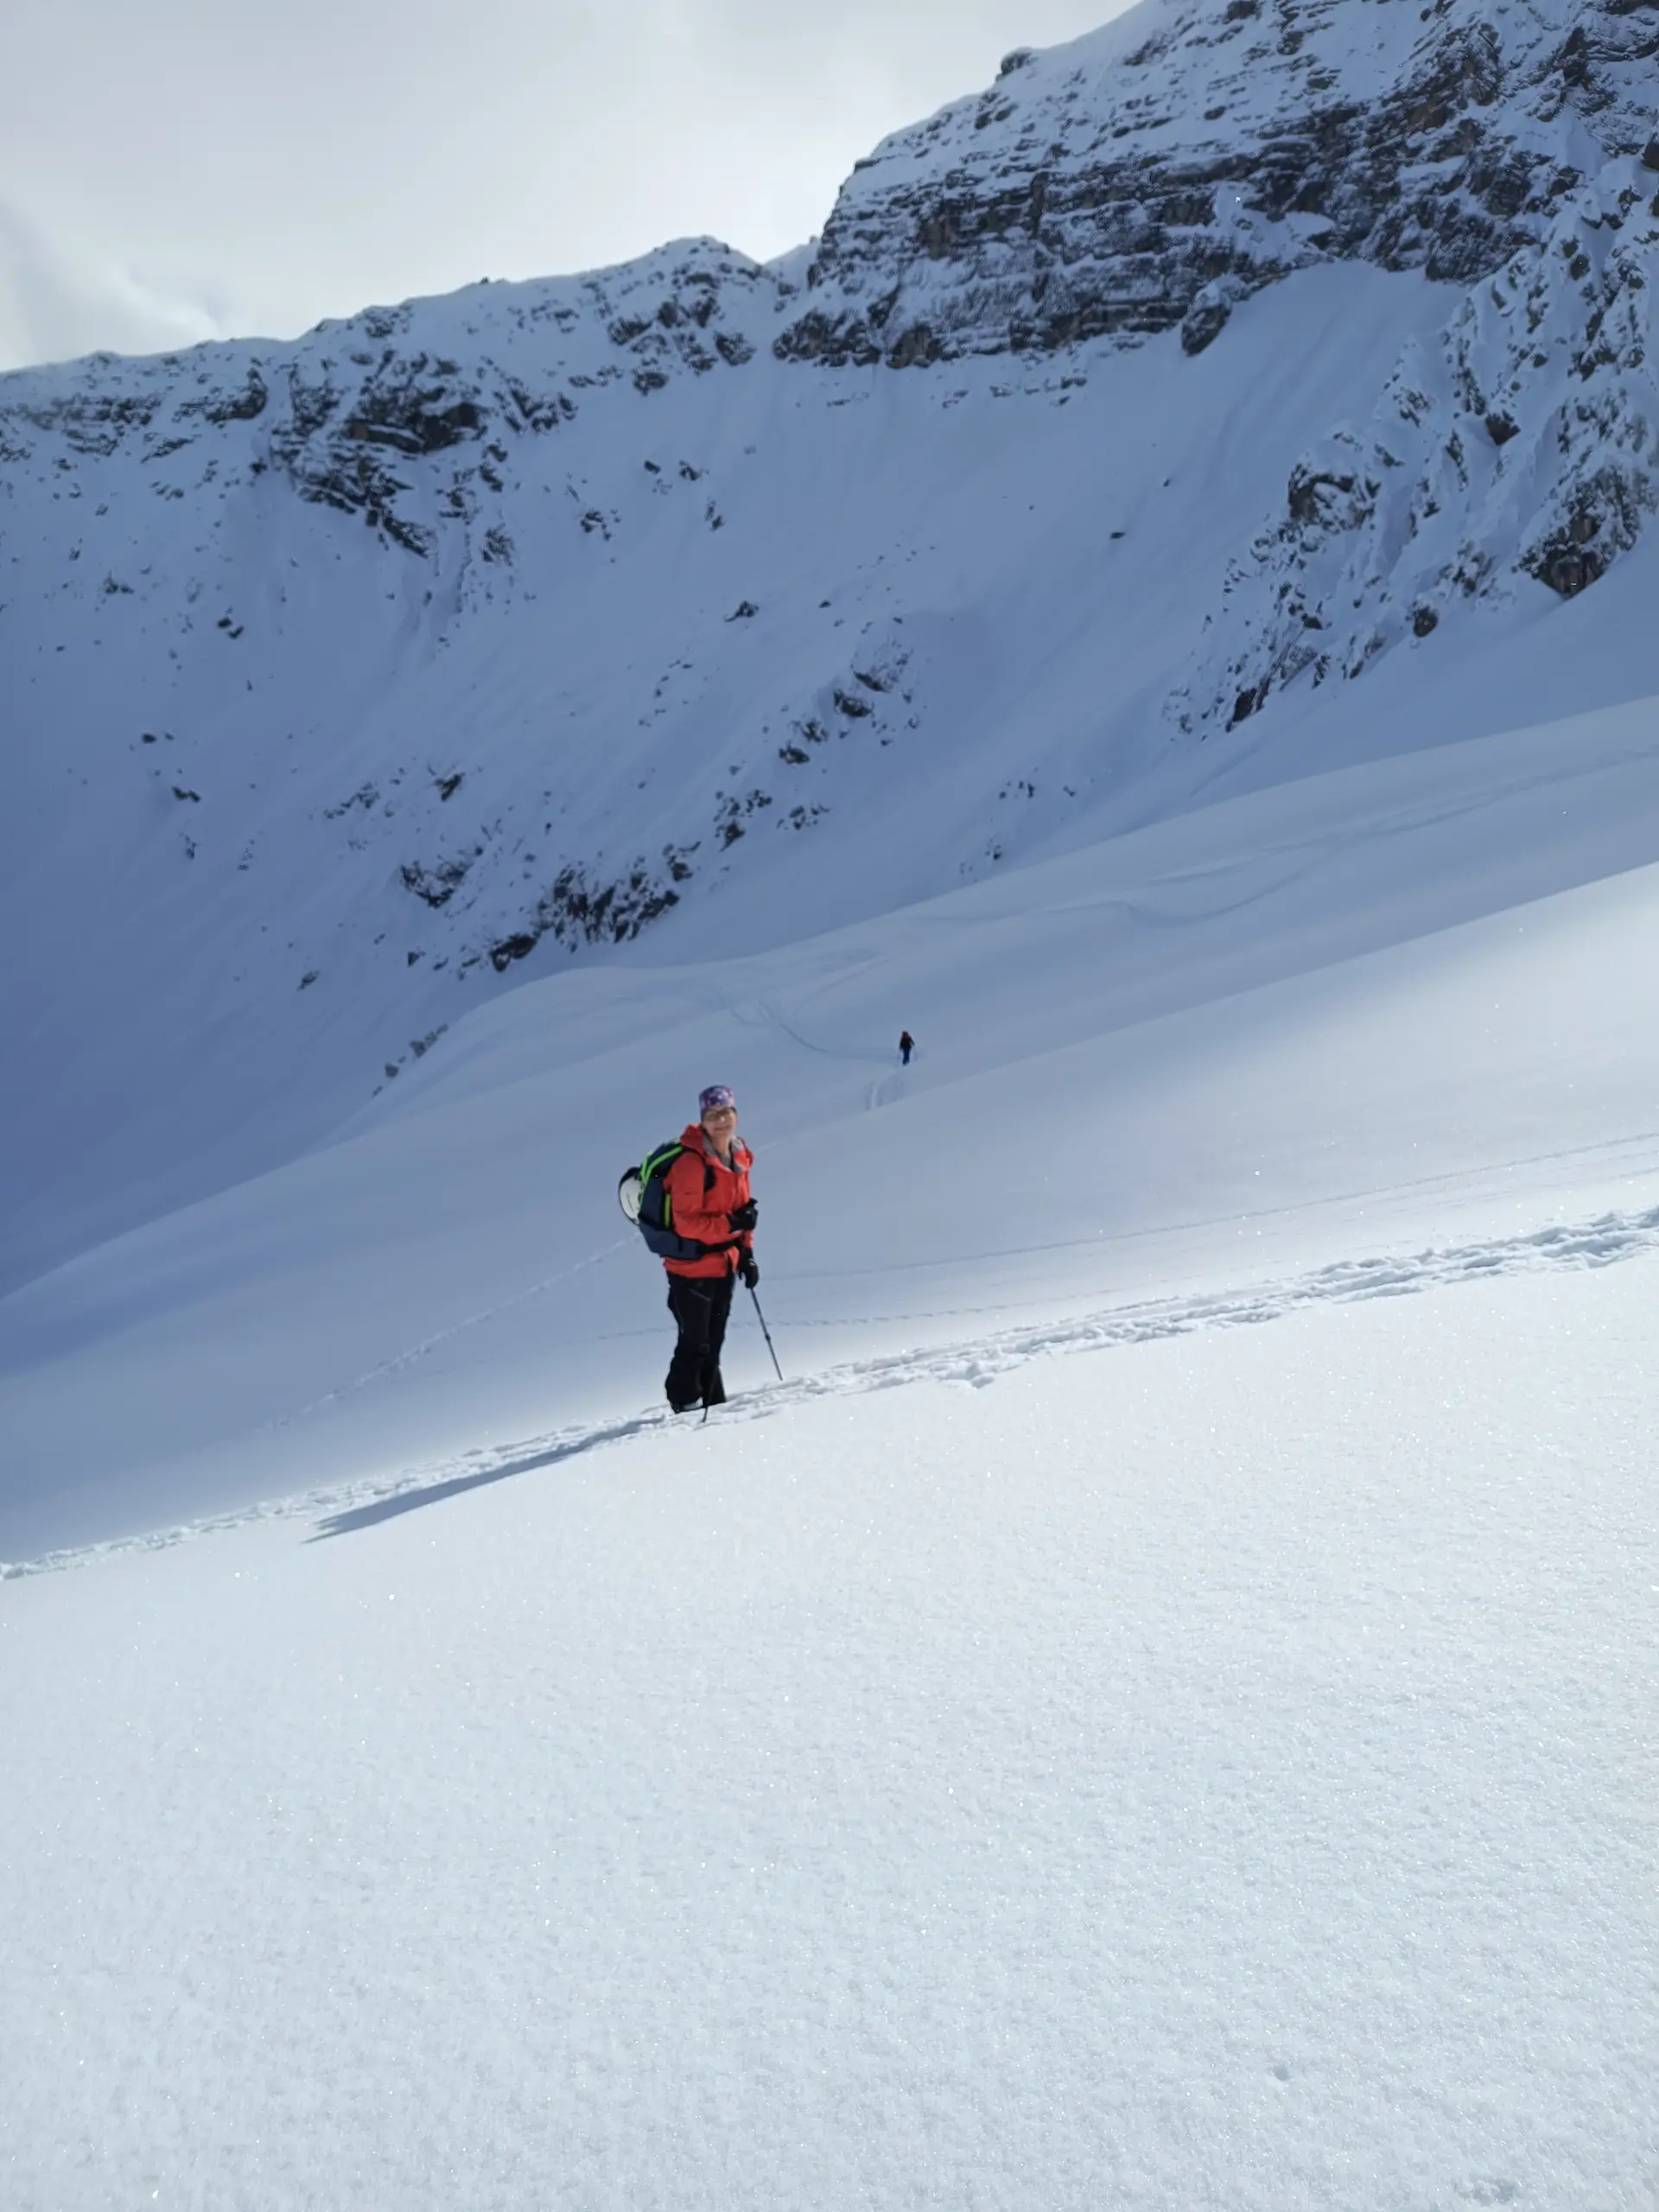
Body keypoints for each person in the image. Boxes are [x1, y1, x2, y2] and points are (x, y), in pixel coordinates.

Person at [662, 1084, 758, 1414]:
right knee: (695, 1341)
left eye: (726, 1113)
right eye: (712, 1115)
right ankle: (683, 1400)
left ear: (736, 1115)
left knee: (713, 1340)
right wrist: (732, 1225)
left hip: (724, 1265)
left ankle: (713, 1404)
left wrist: (746, 1251)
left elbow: (744, 1210)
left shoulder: (739, 1154)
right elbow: (686, 1222)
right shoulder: (691, 1163)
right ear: (702, 1120)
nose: (720, 1121)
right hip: (690, 1269)